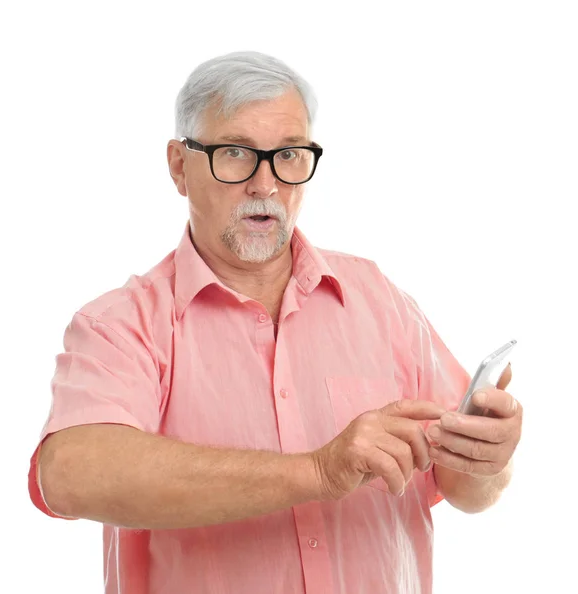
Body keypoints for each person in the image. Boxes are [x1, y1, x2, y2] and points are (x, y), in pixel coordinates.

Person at [28, 51, 523, 594]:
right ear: (178, 166)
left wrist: (489, 459)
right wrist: (318, 472)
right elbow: (70, 474)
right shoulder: (119, 325)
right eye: (235, 153)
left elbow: (463, 486)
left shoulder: (379, 299)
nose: (265, 184)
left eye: (288, 155)